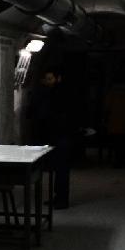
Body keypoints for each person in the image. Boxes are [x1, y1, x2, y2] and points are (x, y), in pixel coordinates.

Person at [30, 68, 74, 208]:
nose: (48, 82)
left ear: (58, 78)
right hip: (55, 135)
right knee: (58, 168)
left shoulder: (59, 94)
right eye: (46, 79)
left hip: (62, 135)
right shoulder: (51, 93)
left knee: (61, 169)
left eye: (50, 79)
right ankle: (58, 196)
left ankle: (62, 199)